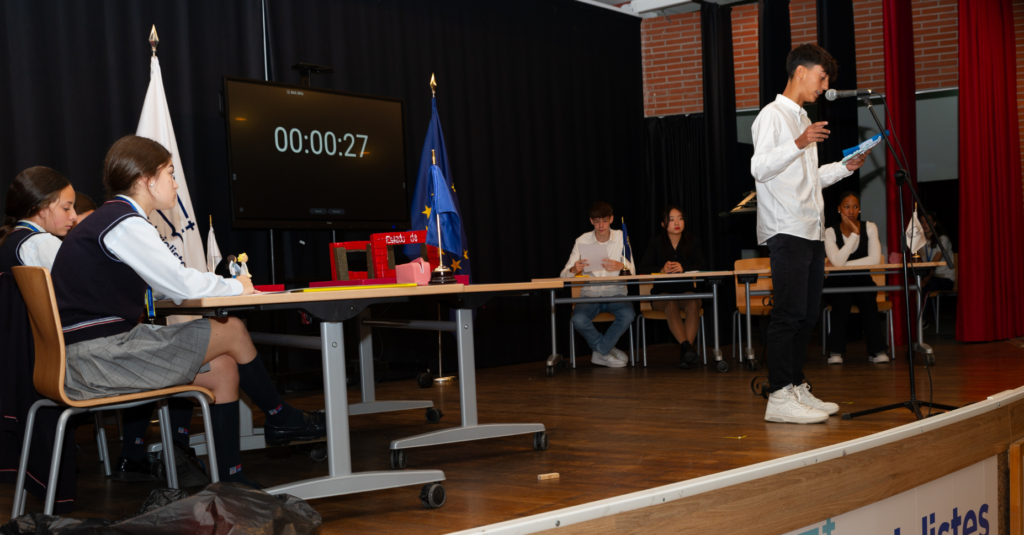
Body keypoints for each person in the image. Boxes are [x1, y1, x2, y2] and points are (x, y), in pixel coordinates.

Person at [50, 135, 325, 488]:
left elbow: (166, 284)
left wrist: (210, 284)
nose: (176, 183)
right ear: (145, 180)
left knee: (224, 367)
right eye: (169, 173)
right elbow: (181, 286)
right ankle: (280, 416)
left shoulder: (111, 220)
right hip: (97, 360)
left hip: (87, 357)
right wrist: (237, 286)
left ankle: (232, 481)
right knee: (232, 328)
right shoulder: (124, 223)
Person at [750, 44, 870, 424]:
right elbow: (760, 167)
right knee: (787, 313)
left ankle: (796, 384)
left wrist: (844, 168)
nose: (824, 85)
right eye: (822, 76)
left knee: (806, 314)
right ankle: (779, 395)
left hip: (811, 229)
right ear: (800, 71)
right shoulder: (773, 116)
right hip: (786, 228)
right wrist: (800, 142)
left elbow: (808, 179)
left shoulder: (801, 117)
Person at [560, 201, 636, 368]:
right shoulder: (582, 240)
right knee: (578, 319)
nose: (601, 225)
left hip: (616, 292)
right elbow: (564, 273)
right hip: (590, 293)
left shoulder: (621, 237)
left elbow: (633, 270)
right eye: (596, 221)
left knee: (628, 315)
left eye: (604, 220)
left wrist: (622, 266)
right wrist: (574, 268)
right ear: (591, 221)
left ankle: (600, 351)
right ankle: (606, 350)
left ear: (611, 219)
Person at [822, 192, 888, 365]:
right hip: (836, 282)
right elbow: (835, 261)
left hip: (862, 280)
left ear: (860, 209)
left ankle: (877, 350)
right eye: (846, 206)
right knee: (842, 299)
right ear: (839, 209)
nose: (851, 211)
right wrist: (854, 235)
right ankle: (835, 351)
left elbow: (874, 260)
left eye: (855, 206)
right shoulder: (829, 232)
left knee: (868, 299)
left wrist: (840, 263)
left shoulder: (870, 227)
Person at [639, 205, 707, 369]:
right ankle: (687, 349)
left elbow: (704, 267)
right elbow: (641, 269)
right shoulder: (655, 243)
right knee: (670, 303)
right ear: (663, 224)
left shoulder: (693, 241)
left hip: (686, 291)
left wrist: (685, 268)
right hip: (662, 294)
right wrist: (661, 270)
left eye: (680, 218)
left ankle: (685, 353)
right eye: (671, 219)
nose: (677, 222)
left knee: (692, 302)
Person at [0, 167, 77, 272]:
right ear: (41, 208)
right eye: (66, 208)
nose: (74, 216)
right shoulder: (41, 242)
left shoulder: (8, 237)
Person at [919, 212, 955, 326]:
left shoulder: (942, 239)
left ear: (934, 223)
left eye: (928, 221)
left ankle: (921, 322)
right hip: (931, 277)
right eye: (922, 222)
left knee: (924, 288)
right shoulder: (920, 241)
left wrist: (925, 279)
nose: (925, 225)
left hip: (945, 279)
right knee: (913, 285)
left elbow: (934, 262)